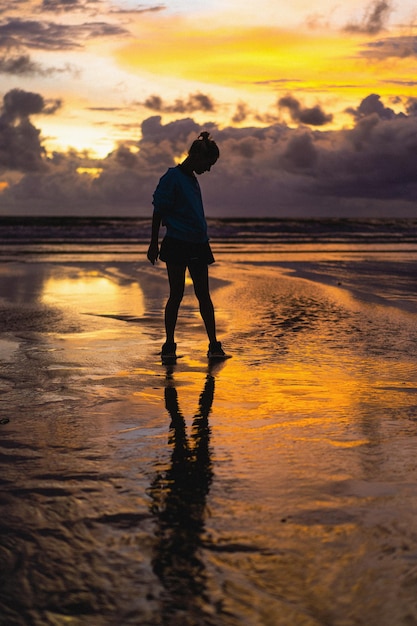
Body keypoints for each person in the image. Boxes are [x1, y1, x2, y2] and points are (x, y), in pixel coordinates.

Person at [147, 131, 227, 361]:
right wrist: (153, 243)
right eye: (208, 164)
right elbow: (158, 209)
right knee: (176, 295)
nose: (208, 169)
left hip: (198, 243)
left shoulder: (192, 179)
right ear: (195, 156)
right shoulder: (173, 177)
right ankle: (169, 344)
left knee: (204, 296)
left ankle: (213, 345)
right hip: (177, 243)